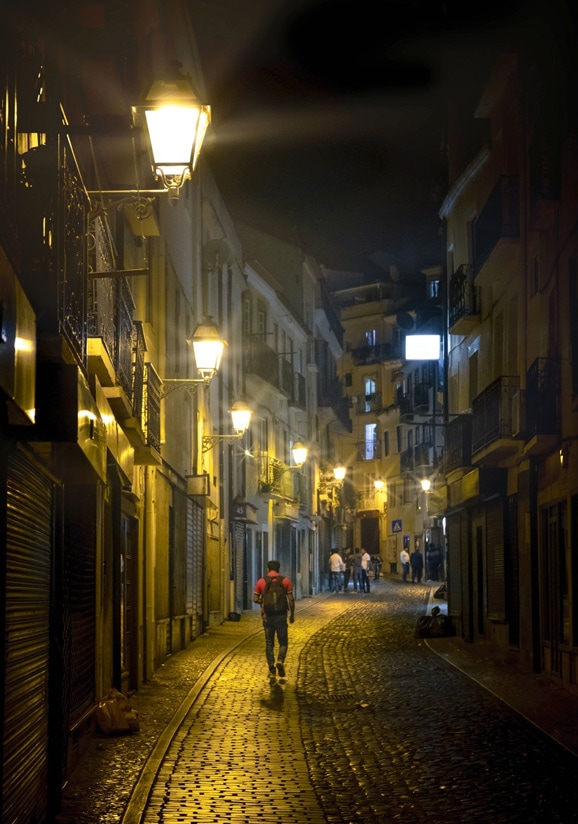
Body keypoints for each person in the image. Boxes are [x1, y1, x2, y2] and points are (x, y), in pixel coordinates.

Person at [253, 560, 295, 678]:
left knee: (269, 642)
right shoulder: (285, 581)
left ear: (267, 569)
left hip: (267, 615)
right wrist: (292, 614)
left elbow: (255, 599)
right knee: (283, 642)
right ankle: (280, 661)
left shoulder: (261, 581)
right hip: (281, 615)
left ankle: (271, 668)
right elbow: (291, 599)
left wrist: (264, 602)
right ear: (279, 569)